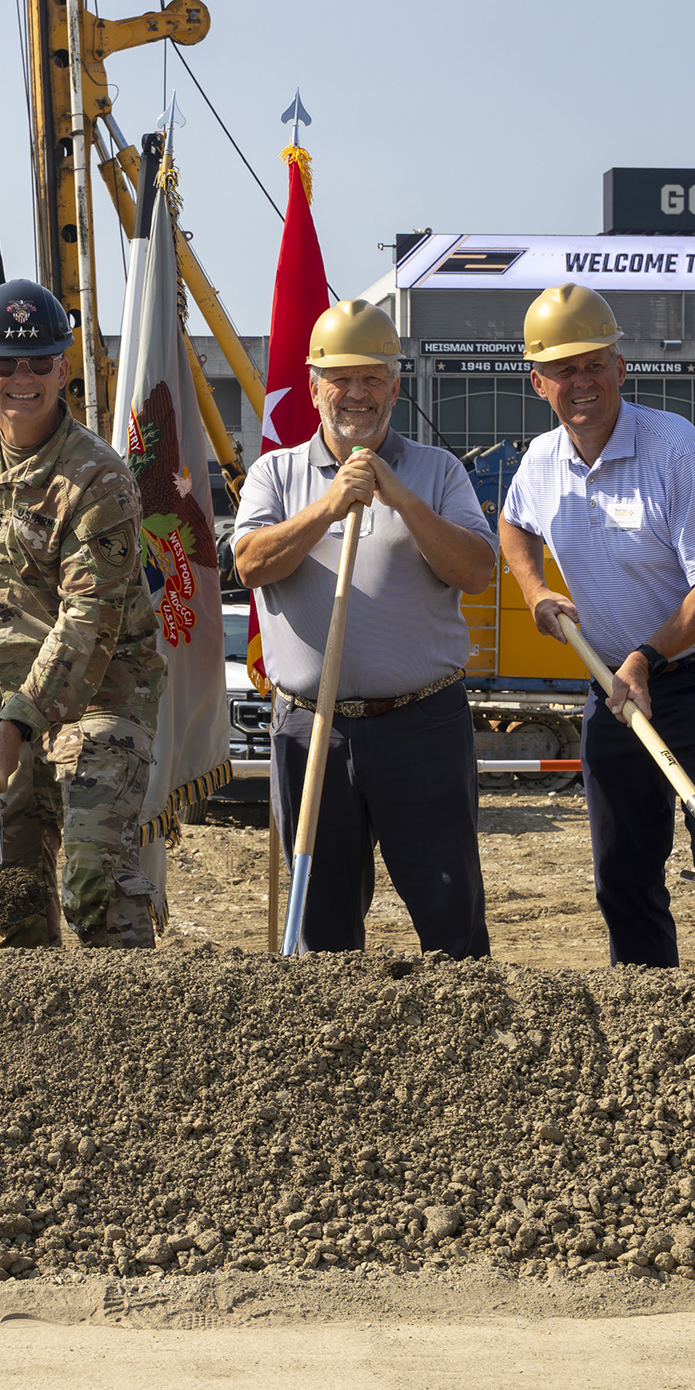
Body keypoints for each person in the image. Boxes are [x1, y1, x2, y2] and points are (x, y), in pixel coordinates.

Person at [498, 282, 695, 968]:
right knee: (622, 869)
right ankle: (648, 1007)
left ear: (621, 368)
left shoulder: (674, 452)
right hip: (611, 682)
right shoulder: (540, 462)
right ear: (539, 382)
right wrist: (535, 591)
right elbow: (513, 524)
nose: (581, 381)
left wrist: (647, 657)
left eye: (595, 363)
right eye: (564, 369)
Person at [232, 299, 497, 956]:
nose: (356, 394)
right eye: (341, 378)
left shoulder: (438, 472)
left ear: (396, 385)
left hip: (422, 725)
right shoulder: (277, 473)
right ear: (315, 385)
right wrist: (329, 504)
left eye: (372, 378)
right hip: (310, 726)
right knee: (321, 924)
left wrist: (399, 496)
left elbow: (476, 570)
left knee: (449, 913)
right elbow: (251, 564)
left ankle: (468, 1045)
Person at [0, 279, 164, 948]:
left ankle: (130, 1024)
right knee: (17, 888)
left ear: (63, 368)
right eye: (5, 364)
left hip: (103, 696)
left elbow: (88, 620)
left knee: (92, 880)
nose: (23, 378)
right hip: (12, 694)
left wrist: (15, 724)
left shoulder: (97, 479)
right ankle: (31, 1036)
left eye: (40, 362)